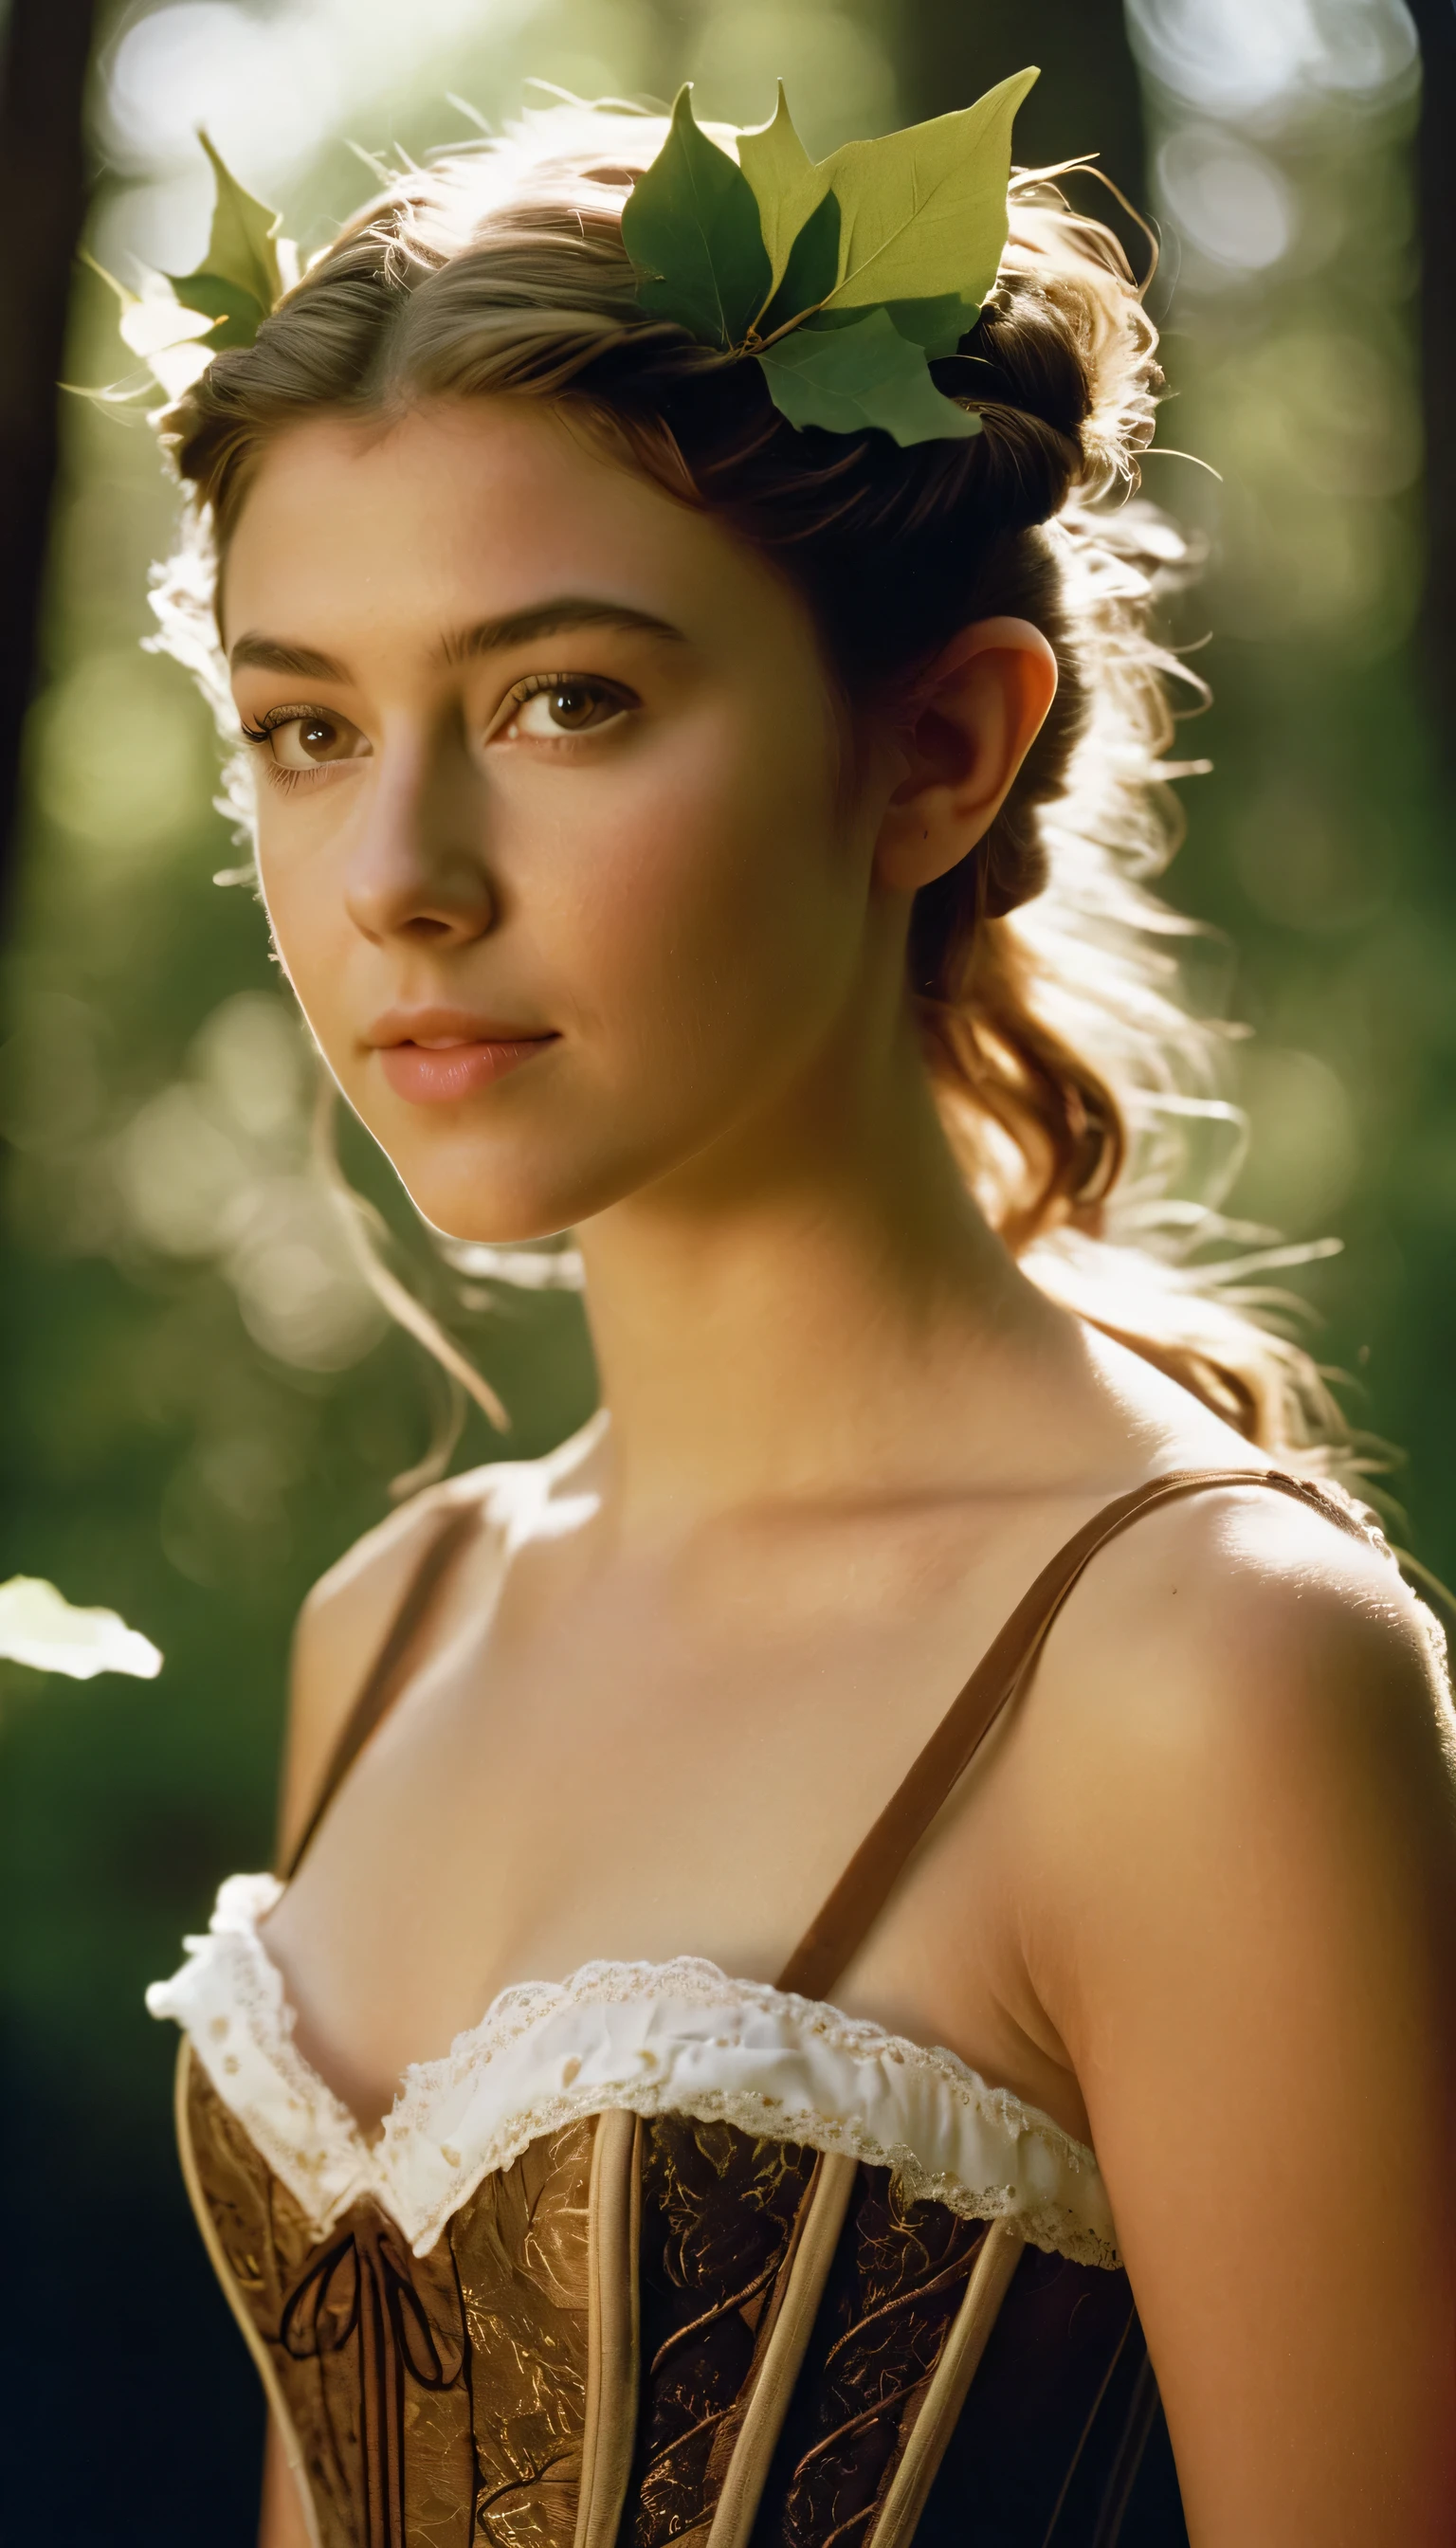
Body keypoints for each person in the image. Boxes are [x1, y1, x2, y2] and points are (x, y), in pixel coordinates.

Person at [140, 89, 1456, 2548]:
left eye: (566, 701)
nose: (401, 877)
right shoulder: (393, 1624)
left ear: (937, 750)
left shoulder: (1198, 1671)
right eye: (307, 728)